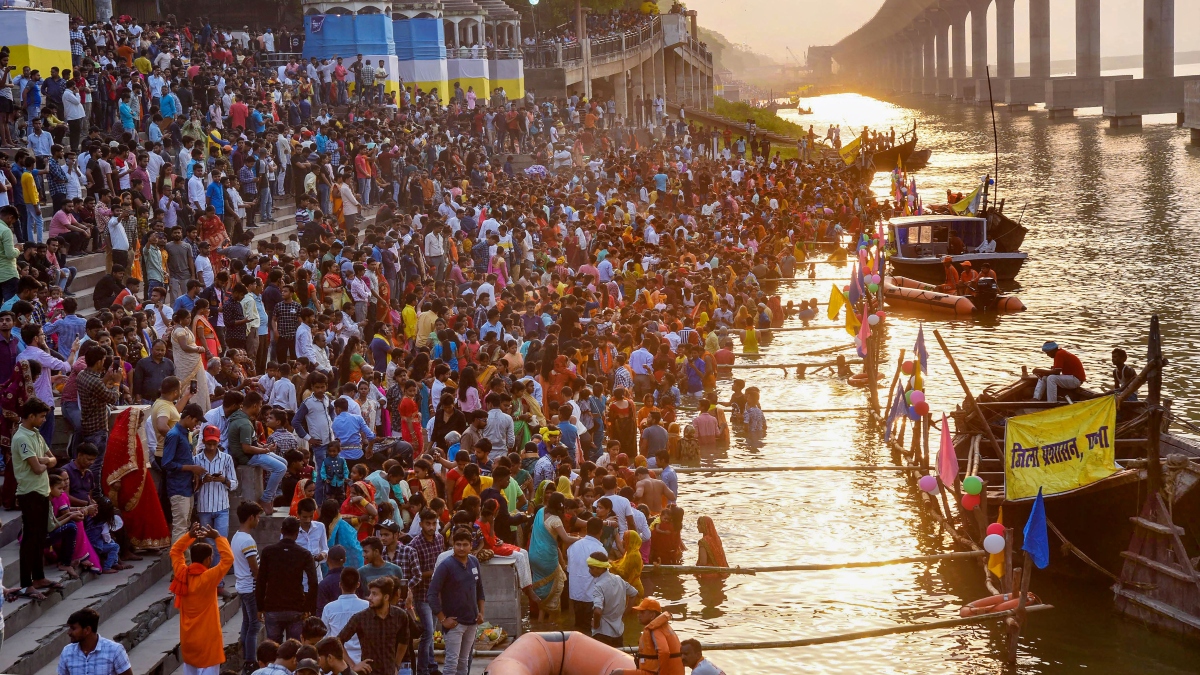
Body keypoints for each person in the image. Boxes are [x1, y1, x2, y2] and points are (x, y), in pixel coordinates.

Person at [170, 523, 234, 675]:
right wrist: (217, 537)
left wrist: (189, 536)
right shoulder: (208, 578)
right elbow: (228, 559)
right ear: (207, 560)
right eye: (211, 557)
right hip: (208, 641)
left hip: (188, 640)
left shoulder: (182, 573)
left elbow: (175, 551)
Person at [13, 397, 56, 600]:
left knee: (40, 537)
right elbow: (37, 468)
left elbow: (52, 459)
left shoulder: (36, 434)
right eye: (40, 416)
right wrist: (45, 461)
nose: (43, 420)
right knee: (30, 540)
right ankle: (26, 583)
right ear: (30, 416)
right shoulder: (22, 438)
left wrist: (44, 460)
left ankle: (38, 577)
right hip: (30, 493)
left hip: (42, 491)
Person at [428, 530, 485, 675]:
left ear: (471, 545)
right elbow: (432, 594)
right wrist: (442, 619)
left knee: (464, 662)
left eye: (465, 544)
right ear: (453, 544)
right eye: (458, 544)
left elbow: (479, 589)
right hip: (454, 623)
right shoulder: (446, 565)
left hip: (472, 621)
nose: (461, 548)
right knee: (451, 664)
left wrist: (481, 613)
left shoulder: (474, 562)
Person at [256, 516, 319, 642]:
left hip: (273, 607)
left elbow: (261, 580)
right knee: (294, 649)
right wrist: (308, 607)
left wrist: (260, 607)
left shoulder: (268, 552)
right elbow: (313, 583)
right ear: (297, 533)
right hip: (295, 607)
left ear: (281, 531)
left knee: (273, 649)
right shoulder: (304, 554)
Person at [337, 576, 411, 674]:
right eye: (370, 593)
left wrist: (397, 664)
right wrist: (353, 665)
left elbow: (404, 641)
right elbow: (338, 641)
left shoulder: (400, 616)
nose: (370, 597)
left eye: (374, 594)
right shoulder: (360, 618)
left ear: (386, 597)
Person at [612, 597, 684, 675]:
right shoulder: (664, 627)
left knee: (617, 673)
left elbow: (664, 652)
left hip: (657, 673)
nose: (638, 615)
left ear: (652, 615)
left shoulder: (655, 629)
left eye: (642, 612)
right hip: (669, 671)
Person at [232, 500, 263, 675]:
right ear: (251, 517)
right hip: (250, 587)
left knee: (247, 623)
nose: (258, 520)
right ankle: (250, 661)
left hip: (242, 586)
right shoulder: (247, 540)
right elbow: (255, 570)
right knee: (254, 626)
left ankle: (246, 658)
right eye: (257, 517)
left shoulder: (236, 537)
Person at [58, 608, 134, 675]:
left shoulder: (115, 650)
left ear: (87, 630)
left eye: (73, 628)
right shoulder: (67, 652)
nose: (69, 632)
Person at [566, 516, 607, 634]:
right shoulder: (600, 550)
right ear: (601, 531)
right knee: (591, 630)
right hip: (591, 597)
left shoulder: (573, 546)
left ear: (586, 529)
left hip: (575, 595)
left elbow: (570, 569)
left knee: (578, 628)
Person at [320, 566, 369, 664]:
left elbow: (324, 637)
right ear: (358, 584)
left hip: (337, 662)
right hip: (362, 662)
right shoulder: (367, 606)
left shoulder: (329, 608)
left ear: (340, 585)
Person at [589, 551, 637, 648]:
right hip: (618, 632)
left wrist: (596, 624)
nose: (589, 571)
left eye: (591, 568)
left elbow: (597, 611)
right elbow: (634, 593)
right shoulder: (618, 579)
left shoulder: (599, 586)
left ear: (600, 568)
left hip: (603, 633)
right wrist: (625, 613)